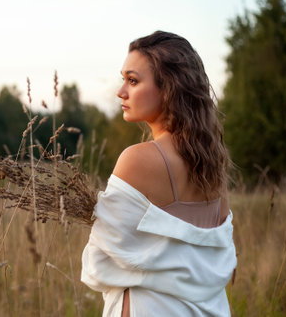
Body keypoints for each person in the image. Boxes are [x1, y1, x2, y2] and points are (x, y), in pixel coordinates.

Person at [81, 31, 237, 317]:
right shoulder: (213, 163)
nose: (121, 92)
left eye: (133, 80)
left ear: (168, 89)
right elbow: (220, 253)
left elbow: (99, 263)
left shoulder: (138, 160)